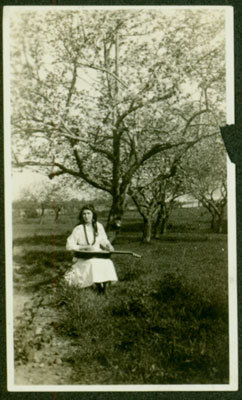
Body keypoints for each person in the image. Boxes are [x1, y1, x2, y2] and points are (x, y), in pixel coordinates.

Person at [64, 204, 118, 293]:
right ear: (81, 216)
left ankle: (103, 288)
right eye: (84, 214)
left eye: (88, 213)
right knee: (93, 263)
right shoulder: (79, 228)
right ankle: (97, 285)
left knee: (108, 262)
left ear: (93, 214)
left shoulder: (98, 226)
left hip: (98, 254)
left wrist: (109, 246)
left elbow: (103, 240)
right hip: (83, 257)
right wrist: (84, 247)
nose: (86, 216)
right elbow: (69, 245)